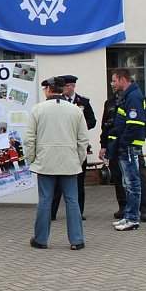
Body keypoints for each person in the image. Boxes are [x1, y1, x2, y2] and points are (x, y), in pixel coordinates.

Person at [25, 77, 87, 250]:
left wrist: (32, 159)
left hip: (45, 162)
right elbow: (83, 139)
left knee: (45, 201)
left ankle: (41, 239)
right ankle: (77, 240)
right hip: (69, 162)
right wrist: (79, 160)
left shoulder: (38, 109)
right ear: (62, 89)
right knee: (72, 201)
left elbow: (29, 139)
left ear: (48, 90)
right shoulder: (75, 110)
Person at [101, 68, 146, 231]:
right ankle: (128, 215)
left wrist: (122, 143)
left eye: (114, 80)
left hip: (128, 147)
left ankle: (133, 219)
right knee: (126, 183)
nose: (112, 84)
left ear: (123, 80)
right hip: (124, 147)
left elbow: (136, 125)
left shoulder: (134, 97)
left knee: (132, 183)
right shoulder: (127, 96)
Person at [50, 74, 97, 221]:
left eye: (66, 86)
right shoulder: (57, 102)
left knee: (78, 181)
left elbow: (92, 121)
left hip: (77, 146)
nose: (64, 89)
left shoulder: (82, 102)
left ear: (72, 86)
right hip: (61, 145)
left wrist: (79, 128)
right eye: (62, 86)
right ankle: (52, 212)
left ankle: (78, 212)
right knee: (57, 181)